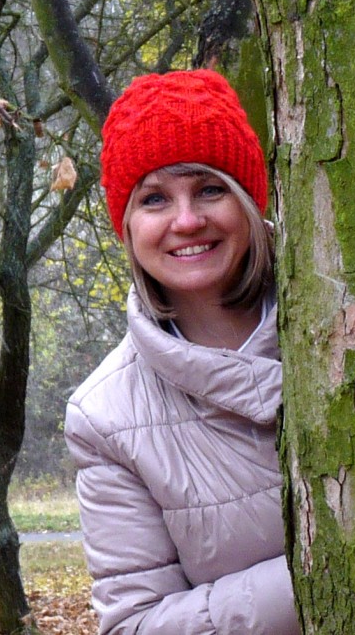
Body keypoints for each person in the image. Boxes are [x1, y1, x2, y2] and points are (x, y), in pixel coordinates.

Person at [64, 69, 300, 634]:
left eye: (210, 189)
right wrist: (318, 573)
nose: (188, 220)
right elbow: (135, 624)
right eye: (155, 199)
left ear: (248, 200)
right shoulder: (106, 417)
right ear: (127, 226)